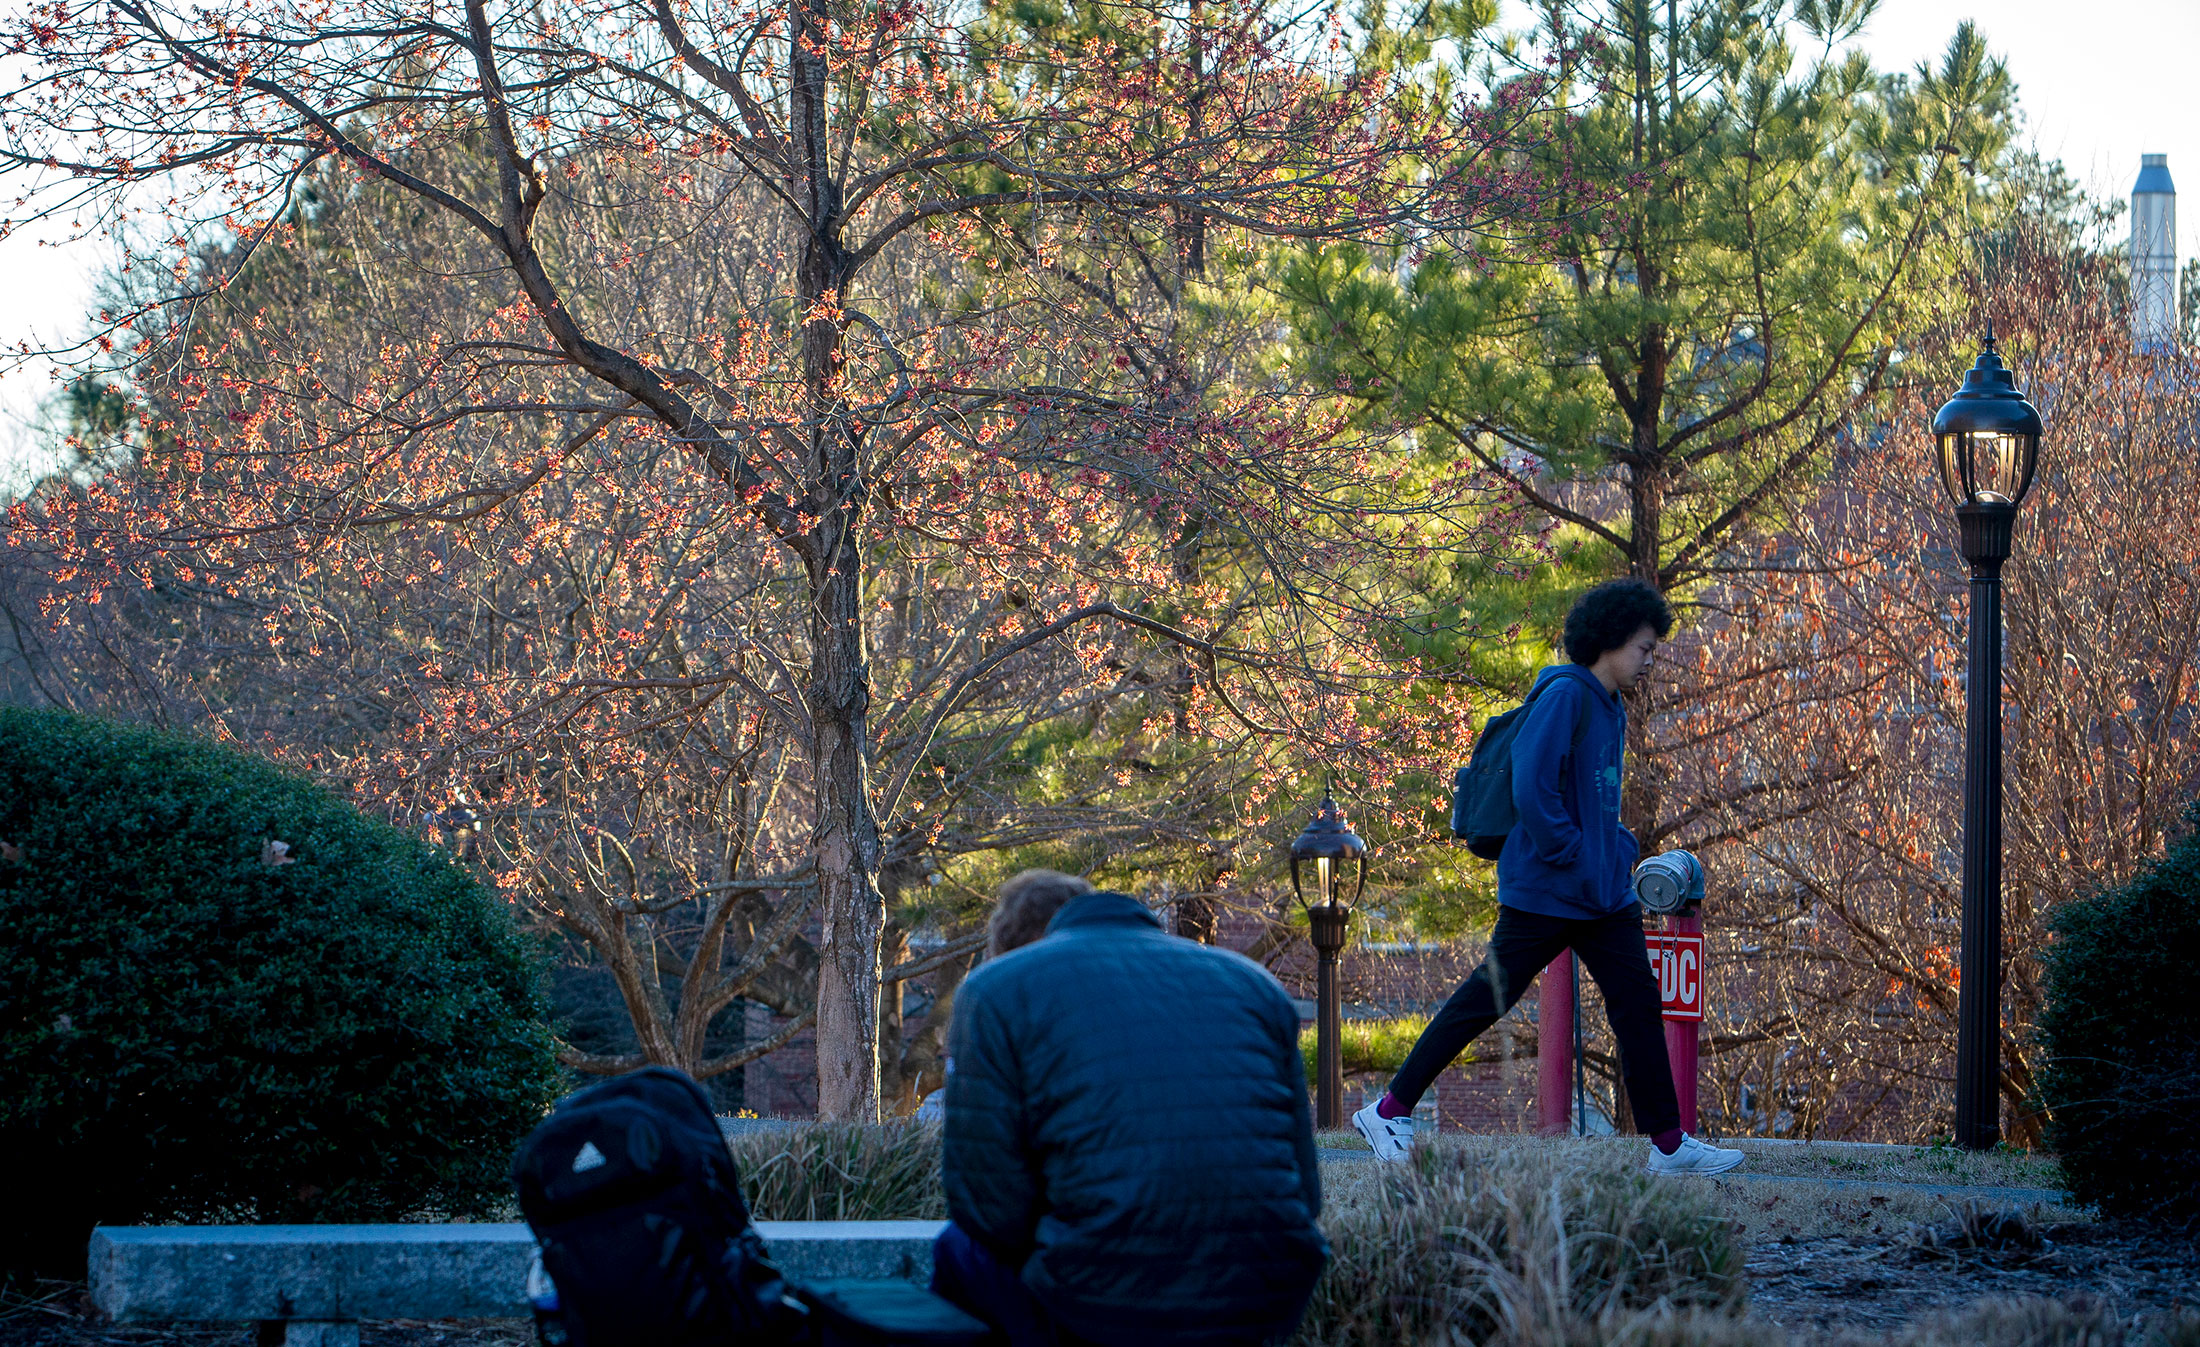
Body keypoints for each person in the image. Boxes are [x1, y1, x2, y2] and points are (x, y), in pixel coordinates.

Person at [1352, 578, 1744, 1177]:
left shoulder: (1609, 705)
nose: (1649, 660)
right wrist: (1575, 853)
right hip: (1548, 890)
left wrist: (1612, 851)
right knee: (1486, 1000)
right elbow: (1531, 787)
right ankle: (1388, 1109)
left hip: (1601, 896)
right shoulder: (1566, 695)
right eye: (1643, 648)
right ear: (1610, 642)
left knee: (1638, 1003)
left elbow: (1592, 798)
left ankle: (1668, 1145)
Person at [935, 871, 1327, 1347]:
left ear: (1021, 945)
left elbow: (988, 1208)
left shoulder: (998, 988)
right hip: (1268, 1294)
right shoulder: (1254, 984)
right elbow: (1306, 1191)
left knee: (958, 1249)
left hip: (1101, 1304)